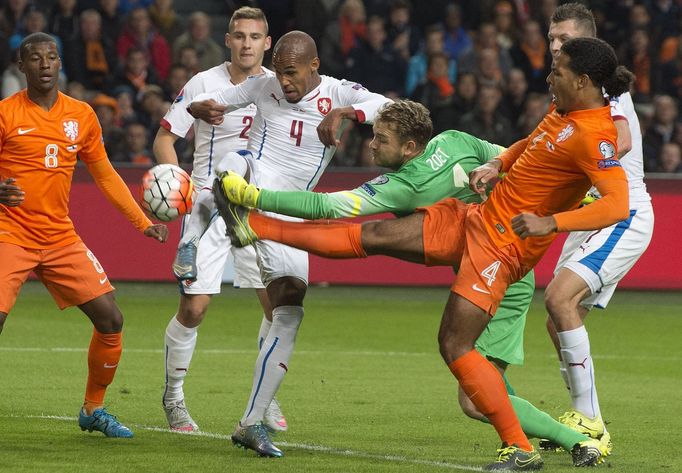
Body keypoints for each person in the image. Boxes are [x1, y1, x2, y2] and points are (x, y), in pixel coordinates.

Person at [213, 37, 633, 470]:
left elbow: (617, 205)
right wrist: (498, 164)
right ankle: (253, 226)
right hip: (476, 218)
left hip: (502, 249)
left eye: (558, 71)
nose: (548, 77)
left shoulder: (593, 134)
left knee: (457, 352)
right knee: (374, 236)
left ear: (582, 80)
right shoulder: (560, 112)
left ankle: (536, 447)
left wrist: (552, 221)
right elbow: (531, 144)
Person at [188, 30, 391, 457]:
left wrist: (346, 113)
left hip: (294, 213)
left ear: (314, 65)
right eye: (279, 72)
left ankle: (250, 423)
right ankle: (206, 224)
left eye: (292, 73)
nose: (283, 82)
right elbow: (222, 97)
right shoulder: (264, 85)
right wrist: (197, 106)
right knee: (237, 160)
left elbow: (386, 106)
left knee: (290, 312)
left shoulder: (338, 91)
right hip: (256, 183)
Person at [0, 32, 168, 438]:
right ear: (21, 67)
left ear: (60, 64)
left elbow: (105, 174)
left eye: (52, 57)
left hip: (59, 237)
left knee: (111, 319)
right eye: (35, 58)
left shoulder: (82, 116)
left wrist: (142, 221)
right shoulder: (6, 114)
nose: (44, 64)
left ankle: (93, 408)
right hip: (9, 234)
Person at [153, 6, 287, 434]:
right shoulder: (202, 84)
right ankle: (174, 397)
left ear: (267, 43)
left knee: (278, 307)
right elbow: (164, 139)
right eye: (239, 36)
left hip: (257, 206)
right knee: (194, 309)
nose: (246, 43)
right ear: (227, 40)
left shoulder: (276, 87)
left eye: (254, 37)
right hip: (207, 206)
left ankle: (263, 397)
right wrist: (174, 180)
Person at [539, 2, 655, 453]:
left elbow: (621, 139)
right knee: (558, 320)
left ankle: (588, 420)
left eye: (564, 40)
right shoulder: (566, 93)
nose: (555, 47)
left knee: (558, 297)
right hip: (594, 217)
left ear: (587, 41)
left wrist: (598, 162)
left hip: (621, 211)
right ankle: (588, 422)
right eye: (551, 39)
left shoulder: (605, 88)